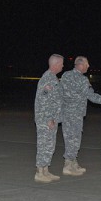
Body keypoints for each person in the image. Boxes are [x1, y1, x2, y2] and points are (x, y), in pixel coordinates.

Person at [60, 56, 101, 176]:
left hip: (66, 113)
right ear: (81, 65)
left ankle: (73, 163)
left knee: (70, 138)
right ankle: (68, 165)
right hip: (75, 114)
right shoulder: (82, 79)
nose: (88, 66)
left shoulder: (65, 75)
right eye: (87, 64)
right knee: (74, 139)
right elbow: (91, 96)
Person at [34, 54, 64, 183]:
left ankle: (45, 170)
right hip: (45, 119)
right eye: (61, 63)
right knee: (44, 144)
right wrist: (48, 118)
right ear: (56, 64)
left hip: (52, 118)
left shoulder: (53, 78)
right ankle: (39, 172)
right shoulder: (47, 79)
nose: (63, 66)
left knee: (50, 145)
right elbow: (43, 100)